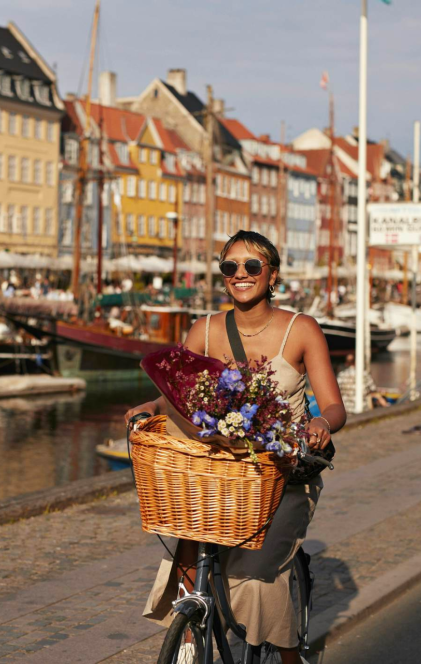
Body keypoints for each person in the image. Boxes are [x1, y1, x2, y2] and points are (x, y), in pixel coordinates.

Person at [125, 230, 345, 662]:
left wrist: (319, 422)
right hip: (216, 471)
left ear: (272, 274)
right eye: (230, 267)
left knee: (256, 571)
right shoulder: (203, 330)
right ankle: (190, 635)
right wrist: (148, 405)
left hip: (278, 474)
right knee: (185, 542)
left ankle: (287, 656)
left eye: (252, 266)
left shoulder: (301, 330)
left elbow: (335, 405)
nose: (240, 274)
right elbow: (175, 395)